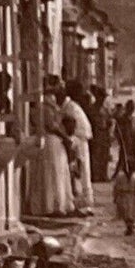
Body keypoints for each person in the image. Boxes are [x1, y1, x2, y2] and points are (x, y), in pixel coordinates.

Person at [23, 77, 76, 218]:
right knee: (51, 174)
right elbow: (52, 126)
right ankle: (50, 206)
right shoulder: (44, 105)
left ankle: (56, 205)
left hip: (53, 141)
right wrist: (65, 137)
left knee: (56, 174)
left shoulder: (50, 105)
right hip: (49, 141)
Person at [61, 82, 96, 215]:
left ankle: (81, 203)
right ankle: (83, 202)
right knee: (82, 173)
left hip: (79, 141)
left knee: (78, 172)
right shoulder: (72, 106)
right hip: (80, 141)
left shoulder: (70, 107)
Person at [112, 102, 135, 236]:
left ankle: (130, 221)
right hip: (126, 155)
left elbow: (134, 138)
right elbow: (120, 137)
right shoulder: (123, 121)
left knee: (130, 191)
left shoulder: (130, 120)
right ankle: (128, 221)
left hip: (131, 154)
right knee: (125, 190)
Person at [89, 84, 113, 184]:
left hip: (104, 135)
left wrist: (109, 126)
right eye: (101, 96)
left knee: (104, 155)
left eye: (104, 97)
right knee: (96, 156)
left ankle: (103, 175)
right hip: (96, 135)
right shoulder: (92, 108)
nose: (103, 98)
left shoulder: (104, 109)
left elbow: (109, 121)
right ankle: (95, 175)